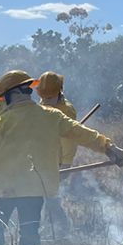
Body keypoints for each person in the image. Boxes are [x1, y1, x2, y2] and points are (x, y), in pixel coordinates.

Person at [0, 70, 123, 245]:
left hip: (3, 190)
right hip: (35, 189)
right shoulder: (52, 115)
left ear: (11, 95)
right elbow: (82, 133)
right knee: (29, 236)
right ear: (27, 90)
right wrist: (108, 147)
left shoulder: (2, 120)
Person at [36, 71, 79, 229]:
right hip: (41, 161)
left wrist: (66, 164)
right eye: (43, 96)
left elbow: (69, 141)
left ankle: (62, 228)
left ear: (59, 92)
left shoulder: (67, 111)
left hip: (58, 162)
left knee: (50, 196)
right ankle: (51, 227)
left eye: (49, 96)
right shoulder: (40, 107)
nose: (46, 99)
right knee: (43, 196)